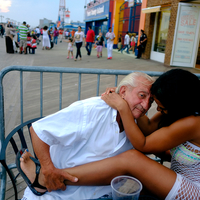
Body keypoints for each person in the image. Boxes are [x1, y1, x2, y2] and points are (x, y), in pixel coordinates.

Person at [20, 69, 200, 200]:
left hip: (193, 190)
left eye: (156, 104)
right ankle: (46, 176)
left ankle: (44, 179)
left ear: (177, 104)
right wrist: (125, 96)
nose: (151, 108)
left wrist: (123, 105)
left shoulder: (192, 123)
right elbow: (150, 128)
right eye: (143, 96)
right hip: (180, 178)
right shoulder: (179, 112)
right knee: (134, 177)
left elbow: (144, 144)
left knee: (132, 159)